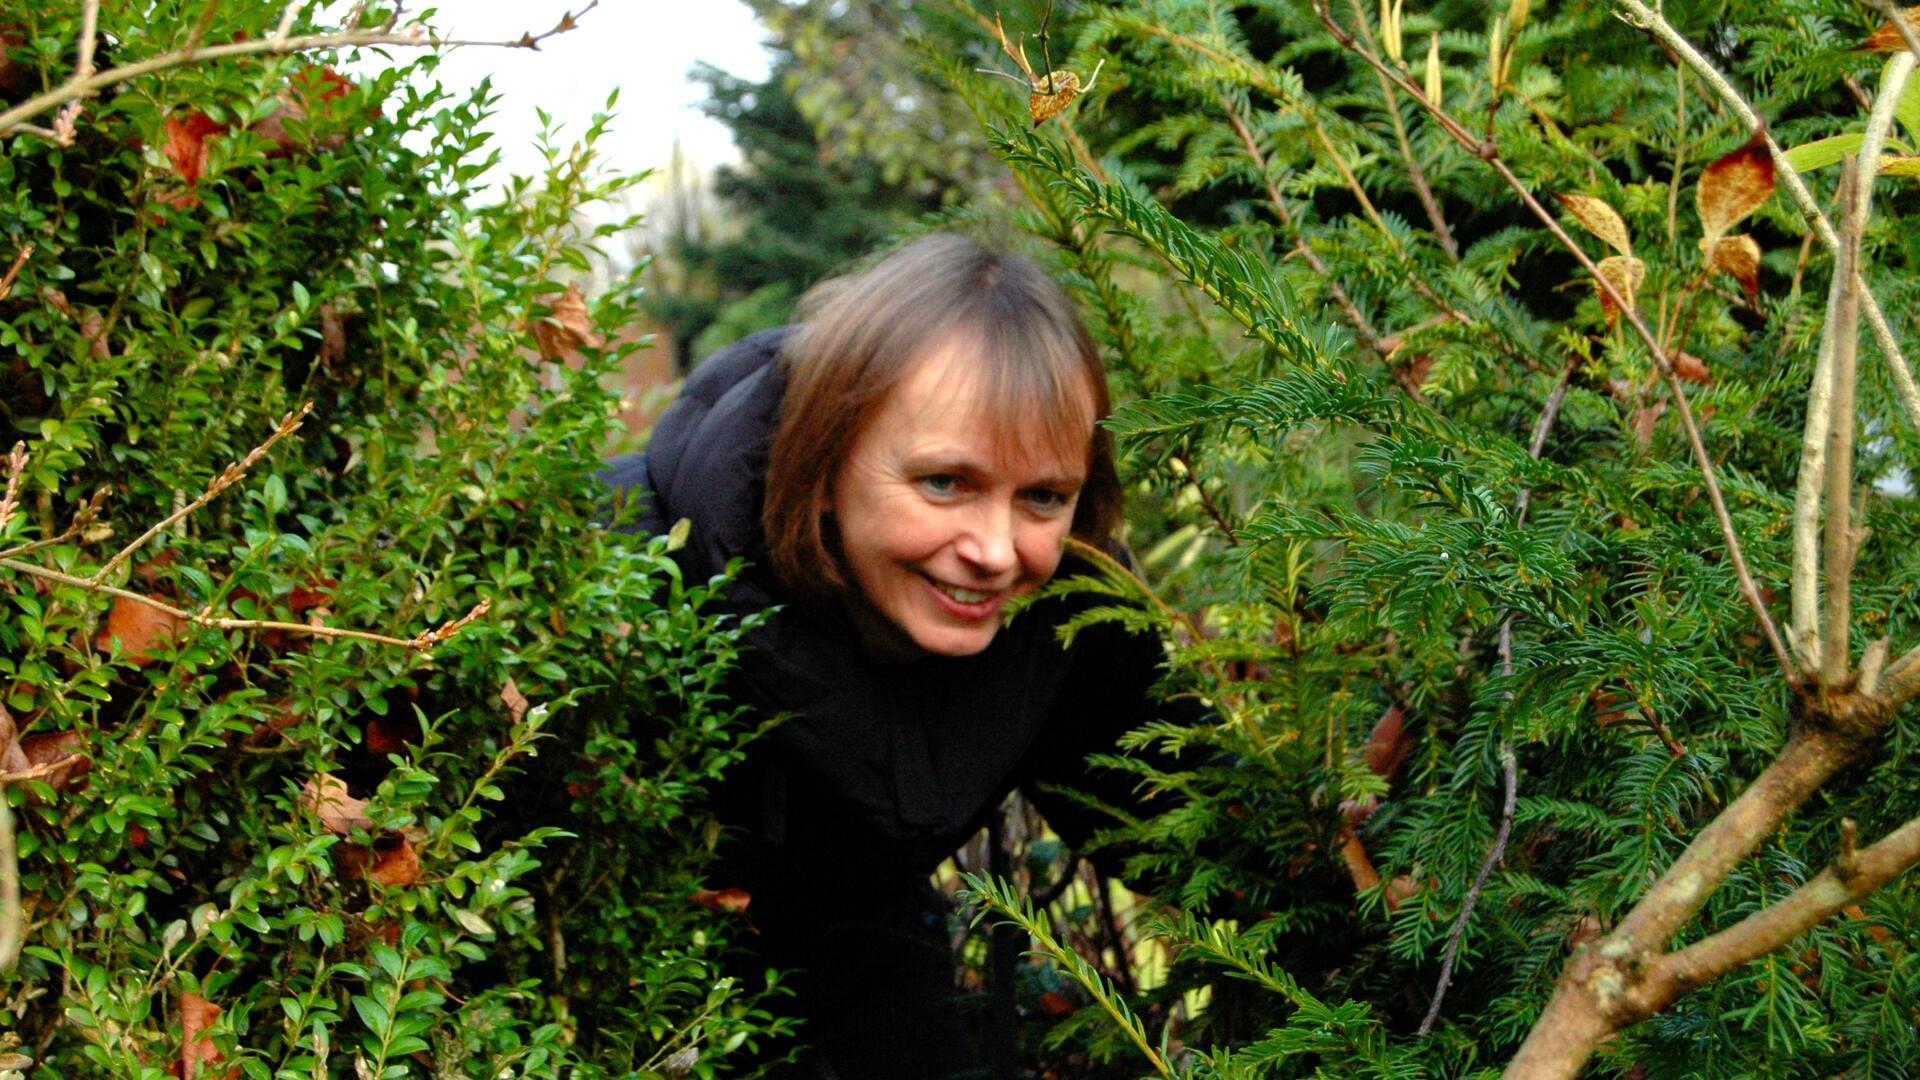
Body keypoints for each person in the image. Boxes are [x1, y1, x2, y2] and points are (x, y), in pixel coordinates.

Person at [603, 233, 1182, 1079]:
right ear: (828, 455)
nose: (994, 551)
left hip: (872, 951)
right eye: (945, 482)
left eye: (1042, 497)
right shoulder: (627, 572)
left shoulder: (1069, 615)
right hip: (635, 990)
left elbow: (1174, 810)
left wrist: (1338, 843)